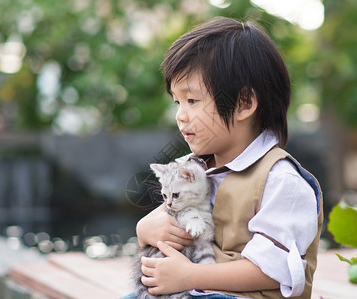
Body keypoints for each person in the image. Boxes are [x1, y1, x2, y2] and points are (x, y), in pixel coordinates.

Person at [131, 17, 323, 299]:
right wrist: (145, 229)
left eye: (192, 101)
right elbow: (169, 221)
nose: (180, 115)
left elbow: (272, 270)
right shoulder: (192, 167)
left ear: (244, 104)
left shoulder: (282, 181)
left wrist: (190, 276)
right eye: (177, 101)